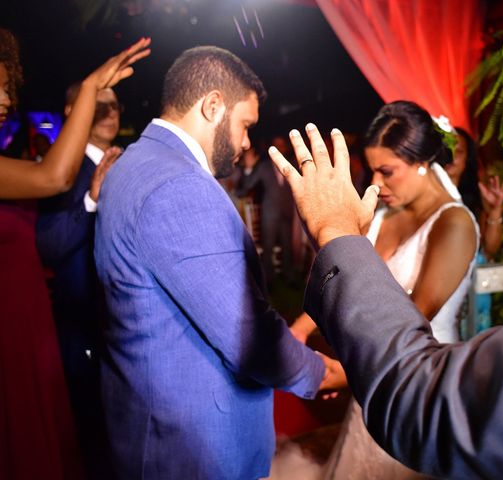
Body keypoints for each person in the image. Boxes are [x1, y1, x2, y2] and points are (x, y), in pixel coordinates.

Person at [268, 111, 503, 479]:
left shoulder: (455, 223)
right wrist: (299, 330)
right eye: (373, 170)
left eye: (388, 171)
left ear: (421, 164)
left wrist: (348, 370)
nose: (377, 183)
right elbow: (354, 278)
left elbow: (418, 312)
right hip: (380, 364)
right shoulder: (383, 211)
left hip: (424, 378)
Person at [93, 46, 337, 479]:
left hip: (146, 419)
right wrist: (320, 373)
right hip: (193, 444)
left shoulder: (133, 162)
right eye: (245, 126)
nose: (246, 143)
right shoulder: (180, 185)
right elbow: (246, 333)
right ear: (212, 106)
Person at [0, 29, 150, 480]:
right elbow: (56, 178)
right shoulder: (50, 166)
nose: (6, 98)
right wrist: (89, 87)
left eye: (8, 86)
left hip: (33, 324)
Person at [36, 82, 124, 477]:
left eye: (115, 105)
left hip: (122, 321)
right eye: (99, 105)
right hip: (82, 321)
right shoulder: (62, 170)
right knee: (91, 436)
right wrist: (91, 199)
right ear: (74, 111)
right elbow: (49, 245)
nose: (110, 113)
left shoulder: (124, 162)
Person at [446, 127, 503, 335]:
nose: (451, 157)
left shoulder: (476, 197)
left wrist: (494, 212)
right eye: (447, 149)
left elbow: (489, 251)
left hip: (470, 291)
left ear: (467, 158)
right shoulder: (423, 197)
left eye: (458, 152)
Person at [236, 135, 296, 287]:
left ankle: (289, 277)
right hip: (270, 214)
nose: (279, 148)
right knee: (268, 248)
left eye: (282, 145)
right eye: (276, 145)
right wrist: (248, 168)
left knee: (288, 247)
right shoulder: (264, 167)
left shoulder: (292, 165)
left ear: (286, 147)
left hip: (287, 212)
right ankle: (270, 280)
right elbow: (245, 189)